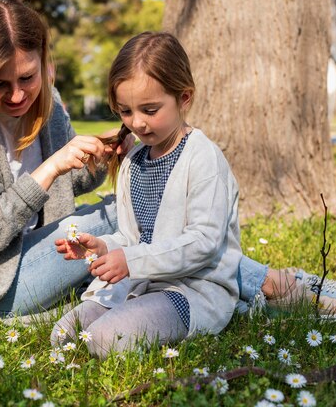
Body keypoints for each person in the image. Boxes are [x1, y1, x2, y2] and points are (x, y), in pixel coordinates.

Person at [0, 0, 336, 336]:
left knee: (126, 211)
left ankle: (248, 286)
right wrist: (51, 167)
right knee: (124, 213)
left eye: (27, 77)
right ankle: (278, 285)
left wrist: (99, 156)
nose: (16, 95)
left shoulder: (44, 104)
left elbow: (65, 189)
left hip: (44, 257)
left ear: (42, 62)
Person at [51, 32, 241, 358]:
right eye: (125, 111)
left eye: (150, 110)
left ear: (184, 98)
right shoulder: (133, 163)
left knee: (102, 341)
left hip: (192, 289)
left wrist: (132, 261)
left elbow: (203, 243)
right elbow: (131, 237)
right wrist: (103, 247)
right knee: (63, 336)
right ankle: (126, 314)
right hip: (141, 285)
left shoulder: (202, 158)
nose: (137, 123)